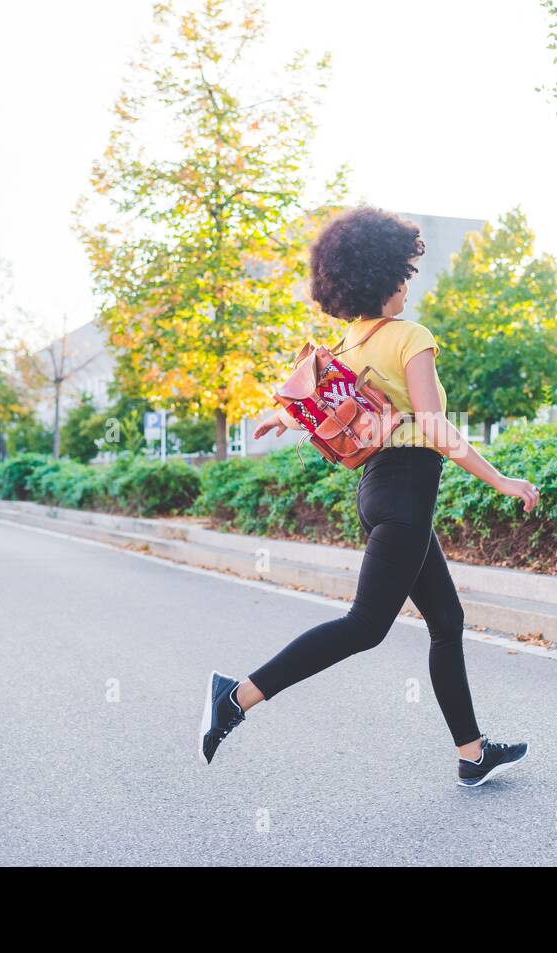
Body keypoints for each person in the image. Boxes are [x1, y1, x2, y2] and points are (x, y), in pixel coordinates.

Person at [198, 206, 539, 788]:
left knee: (446, 620)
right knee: (364, 627)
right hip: (405, 495)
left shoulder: (346, 347)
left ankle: (472, 753)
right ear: (382, 278)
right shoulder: (411, 337)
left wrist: (286, 422)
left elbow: (322, 409)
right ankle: (237, 697)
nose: (409, 283)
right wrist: (502, 479)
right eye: (404, 273)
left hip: (379, 494)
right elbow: (434, 427)